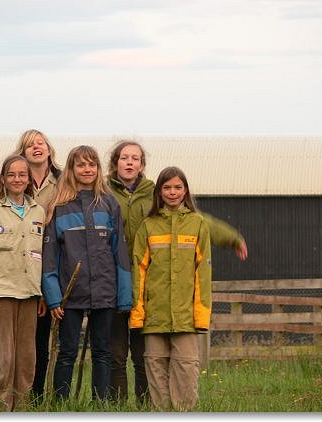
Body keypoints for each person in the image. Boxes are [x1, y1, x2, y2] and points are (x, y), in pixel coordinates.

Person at [106, 140, 248, 404]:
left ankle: (147, 407)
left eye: (135, 158)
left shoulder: (154, 192)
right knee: (115, 353)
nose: (129, 162)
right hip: (114, 279)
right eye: (124, 157)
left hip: (151, 284)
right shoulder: (103, 192)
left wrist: (232, 238)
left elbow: (200, 222)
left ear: (142, 165)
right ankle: (116, 407)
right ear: (115, 163)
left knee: (145, 356)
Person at [41, 145, 132, 401]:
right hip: (70, 294)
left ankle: (99, 405)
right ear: (71, 169)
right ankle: (60, 404)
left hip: (105, 290)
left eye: (92, 164)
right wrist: (53, 297)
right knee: (67, 352)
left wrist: (124, 296)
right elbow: (50, 257)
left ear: (98, 169)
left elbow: (120, 252)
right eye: (81, 165)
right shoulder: (59, 207)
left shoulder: (109, 204)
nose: (87, 169)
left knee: (102, 352)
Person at [129, 166, 211, 411]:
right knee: (155, 369)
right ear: (159, 192)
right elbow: (138, 272)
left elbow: (203, 275)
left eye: (177, 187)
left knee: (186, 368)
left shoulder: (198, 224)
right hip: (155, 316)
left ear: (185, 191)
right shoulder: (148, 226)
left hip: (186, 317)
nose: (172, 192)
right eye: (167, 187)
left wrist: (201, 315)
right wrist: (138, 313)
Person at [0, 154, 45, 411]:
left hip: (30, 294)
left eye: (22, 175)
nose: (17, 179)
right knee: (5, 358)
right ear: (3, 179)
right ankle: (2, 409)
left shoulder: (38, 212)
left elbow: (40, 255)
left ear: (29, 179)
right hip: (3, 293)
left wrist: (42, 294)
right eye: (11, 174)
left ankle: (22, 408)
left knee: (26, 358)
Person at [13, 129, 62, 402]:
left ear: (49, 149)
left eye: (40, 143)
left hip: (52, 260)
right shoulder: (17, 181)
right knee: (22, 340)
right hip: (22, 263)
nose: (36, 148)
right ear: (22, 152)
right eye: (30, 145)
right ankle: (16, 395)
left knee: (42, 340)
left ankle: (37, 396)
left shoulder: (62, 181)